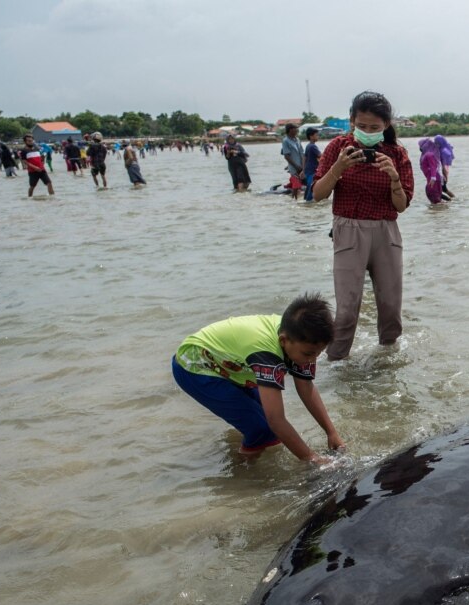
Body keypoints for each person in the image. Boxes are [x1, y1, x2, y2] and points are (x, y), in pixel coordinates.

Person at [171, 293, 344, 465]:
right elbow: (276, 420)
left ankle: (244, 452)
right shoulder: (267, 354)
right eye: (308, 354)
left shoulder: (299, 338)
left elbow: (305, 386)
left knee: (267, 426)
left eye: (318, 353)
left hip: (231, 365)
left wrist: (331, 432)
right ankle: (243, 474)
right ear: (283, 341)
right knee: (262, 430)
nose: (313, 359)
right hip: (194, 366)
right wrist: (312, 459)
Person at [311, 90, 414, 357]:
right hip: (348, 229)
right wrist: (338, 168)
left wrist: (393, 177)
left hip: (386, 232)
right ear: (351, 121)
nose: (367, 131)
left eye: (375, 127)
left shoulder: (397, 153)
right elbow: (318, 194)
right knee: (346, 310)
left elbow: (401, 206)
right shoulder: (338, 147)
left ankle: (387, 363)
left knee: (391, 308)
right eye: (362, 126)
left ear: (386, 126)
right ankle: (336, 366)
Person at [417, 137, 447, 204]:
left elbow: (433, 166)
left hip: (433, 181)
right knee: (437, 202)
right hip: (433, 180)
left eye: (420, 146)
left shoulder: (429, 155)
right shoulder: (425, 155)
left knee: (436, 203)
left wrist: (433, 178)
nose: (420, 148)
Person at [281, 123, 305, 199]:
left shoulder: (297, 139)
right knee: (296, 185)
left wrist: (303, 166)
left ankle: (296, 196)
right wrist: (296, 166)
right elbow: (286, 156)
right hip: (294, 167)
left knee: (301, 183)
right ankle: (294, 200)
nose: (297, 130)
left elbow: (302, 153)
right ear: (290, 130)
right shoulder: (286, 141)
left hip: (302, 165)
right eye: (295, 129)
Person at [303, 127, 321, 202]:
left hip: (308, 170)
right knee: (311, 187)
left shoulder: (308, 145)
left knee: (309, 186)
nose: (318, 136)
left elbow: (304, 157)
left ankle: (306, 200)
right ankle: (308, 202)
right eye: (316, 135)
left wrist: (303, 170)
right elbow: (321, 156)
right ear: (311, 136)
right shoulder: (313, 146)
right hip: (313, 171)